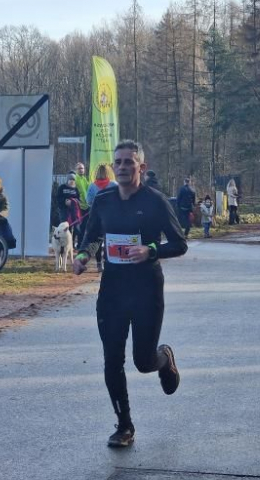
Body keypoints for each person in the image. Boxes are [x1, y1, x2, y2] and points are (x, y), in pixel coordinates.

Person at [73, 140, 188, 448]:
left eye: (128, 163)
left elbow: (179, 243)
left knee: (142, 360)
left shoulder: (155, 201)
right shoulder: (104, 199)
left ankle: (164, 359)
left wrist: (150, 250)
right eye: (118, 162)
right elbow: (91, 235)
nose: (122, 168)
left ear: (141, 168)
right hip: (112, 289)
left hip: (146, 289)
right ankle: (124, 426)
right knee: (112, 360)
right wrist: (83, 255)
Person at [86, 164, 117, 272]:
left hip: (97, 217)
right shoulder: (114, 184)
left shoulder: (92, 186)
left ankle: (99, 264)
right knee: (110, 240)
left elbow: (88, 201)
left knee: (97, 241)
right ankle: (109, 261)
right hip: (112, 217)